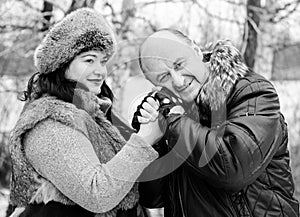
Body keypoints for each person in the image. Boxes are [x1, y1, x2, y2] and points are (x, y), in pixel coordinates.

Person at [8, 8, 163, 217]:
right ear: (61, 64)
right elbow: (96, 194)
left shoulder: (98, 114)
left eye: (103, 61)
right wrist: (144, 140)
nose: (100, 71)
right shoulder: (48, 122)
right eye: (89, 60)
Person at [133, 29, 299, 217]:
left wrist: (171, 123)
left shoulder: (252, 93)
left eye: (179, 65)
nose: (178, 81)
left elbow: (233, 169)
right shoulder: (169, 110)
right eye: (164, 77)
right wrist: (152, 138)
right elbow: (154, 200)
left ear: (196, 50)